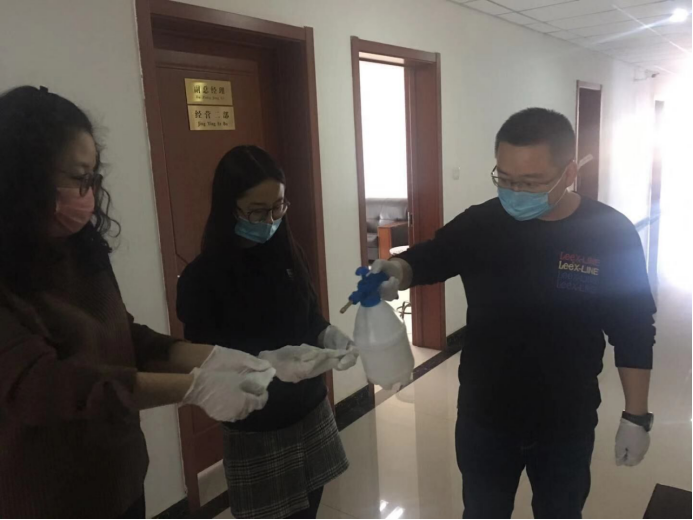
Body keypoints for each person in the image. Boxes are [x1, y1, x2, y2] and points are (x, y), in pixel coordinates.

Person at [0, 86, 274, 520]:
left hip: (120, 479)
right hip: (50, 498)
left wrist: (214, 358)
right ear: (23, 175)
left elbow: (124, 336)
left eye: (94, 177)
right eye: (79, 177)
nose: (89, 192)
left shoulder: (78, 248)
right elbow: (45, 387)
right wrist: (194, 387)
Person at [374, 108, 656, 520]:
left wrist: (636, 416)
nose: (515, 192)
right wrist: (397, 270)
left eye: (531, 182)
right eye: (504, 179)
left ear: (569, 172)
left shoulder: (609, 233)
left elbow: (633, 328)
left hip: (566, 419)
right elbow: (434, 255)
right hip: (485, 415)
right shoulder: (481, 223)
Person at [177, 145, 355, 520]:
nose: (270, 220)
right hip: (257, 430)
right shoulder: (202, 279)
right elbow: (207, 361)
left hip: (310, 411)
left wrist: (328, 335)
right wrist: (264, 362)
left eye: (278, 207)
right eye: (257, 211)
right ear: (229, 207)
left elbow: (309, 317)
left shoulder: (288, 253)